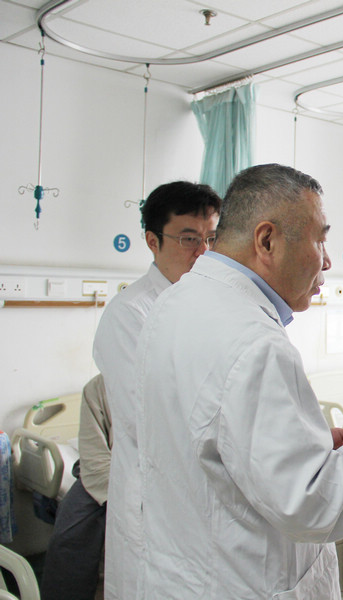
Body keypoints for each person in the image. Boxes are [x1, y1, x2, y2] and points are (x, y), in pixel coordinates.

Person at [132, 164, 343, 599]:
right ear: (267, 241)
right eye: (320, 239)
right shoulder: (255, 342)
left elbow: (209, 439)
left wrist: (309, 442)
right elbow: (311, 502)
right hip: (241, 583)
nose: (327, 260)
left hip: (180, 574)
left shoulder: (172, 305)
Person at [92, 181, 221, 600]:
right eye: (188, 239)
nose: (202, 252)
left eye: (211, 238)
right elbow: (152, 419)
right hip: (157, 499)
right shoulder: (130, 315)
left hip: (205, 496)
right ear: (152, 241)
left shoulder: (212, 307)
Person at [41, 374, 110, 600]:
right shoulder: (98, 389)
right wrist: (122, 499)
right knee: (70, 535)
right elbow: (96, 457)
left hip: (160, 477)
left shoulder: (172, 383)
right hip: (103, 475)